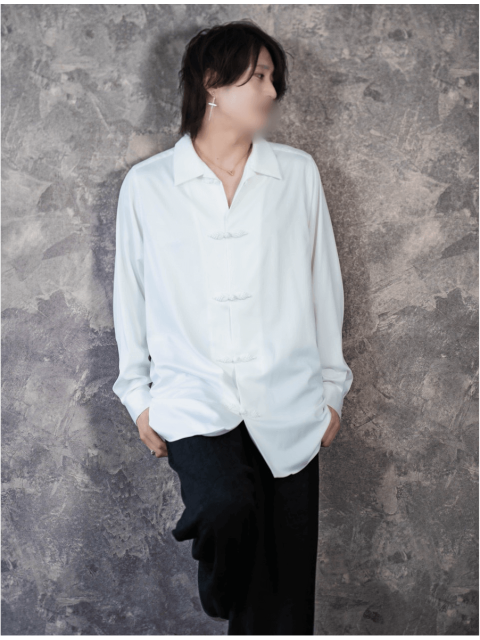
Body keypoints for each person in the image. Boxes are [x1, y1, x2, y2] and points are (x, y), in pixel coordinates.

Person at [112, 19, 353, 637]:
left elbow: (323, 285)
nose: (273, 92)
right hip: (192, 396)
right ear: (212, 83)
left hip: (290, 397)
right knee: (223, 507)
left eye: (273, 78)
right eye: (260, 77)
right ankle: (224, 591)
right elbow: (131, 296)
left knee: (284, 605)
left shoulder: (296, 174)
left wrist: (332, 391)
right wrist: (138, 398)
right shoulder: (148, 186)